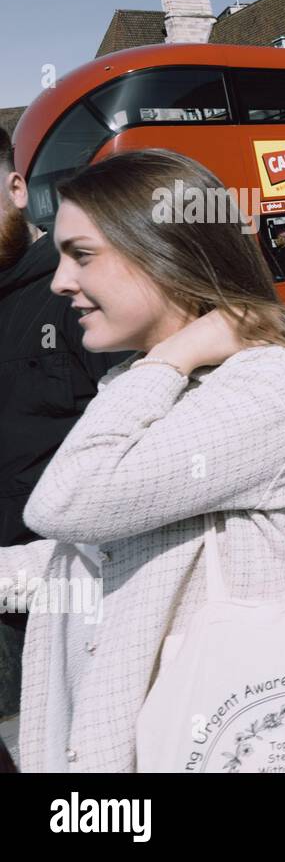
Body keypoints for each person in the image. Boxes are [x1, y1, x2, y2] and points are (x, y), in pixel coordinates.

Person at [0, 148, 285, 771]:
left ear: (164, 253)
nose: (59, 281)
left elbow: (68, 501)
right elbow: (81, 563)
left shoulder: (266, 386)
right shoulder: (155, 384)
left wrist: (171, 355)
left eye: (81, 255)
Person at [0, 127, 127, 772]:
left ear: (17, 188)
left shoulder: (78, 292)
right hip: (8, 595)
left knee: (89, 759)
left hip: (77, 593)